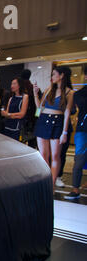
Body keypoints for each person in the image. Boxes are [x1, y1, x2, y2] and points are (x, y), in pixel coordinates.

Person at [33, 67, 74, 187]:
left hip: (58, 122)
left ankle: (52, 183)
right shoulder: (48, 89)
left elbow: (67, 113)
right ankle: (46, 182)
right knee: (43, 155)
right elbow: (39, 109)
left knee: (56, 155)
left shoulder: (69, 92)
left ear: (61, 75)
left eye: (54, 74)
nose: (52, 77)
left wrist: (65, 132)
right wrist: (35, 94)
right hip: (43, 120)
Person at [65, 65, 87, 200]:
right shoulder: (79, 94)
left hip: (82, 130)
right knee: (78, 160)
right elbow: (73, 109)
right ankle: (75, 188)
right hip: (82, 130)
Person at [21, 69, 38, 148]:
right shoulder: (34, 89)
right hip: (32, 119)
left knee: (20, 142)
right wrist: (36, 117)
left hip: (20, 119)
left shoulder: (19, 89)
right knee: (31, 142)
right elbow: (39, 106)